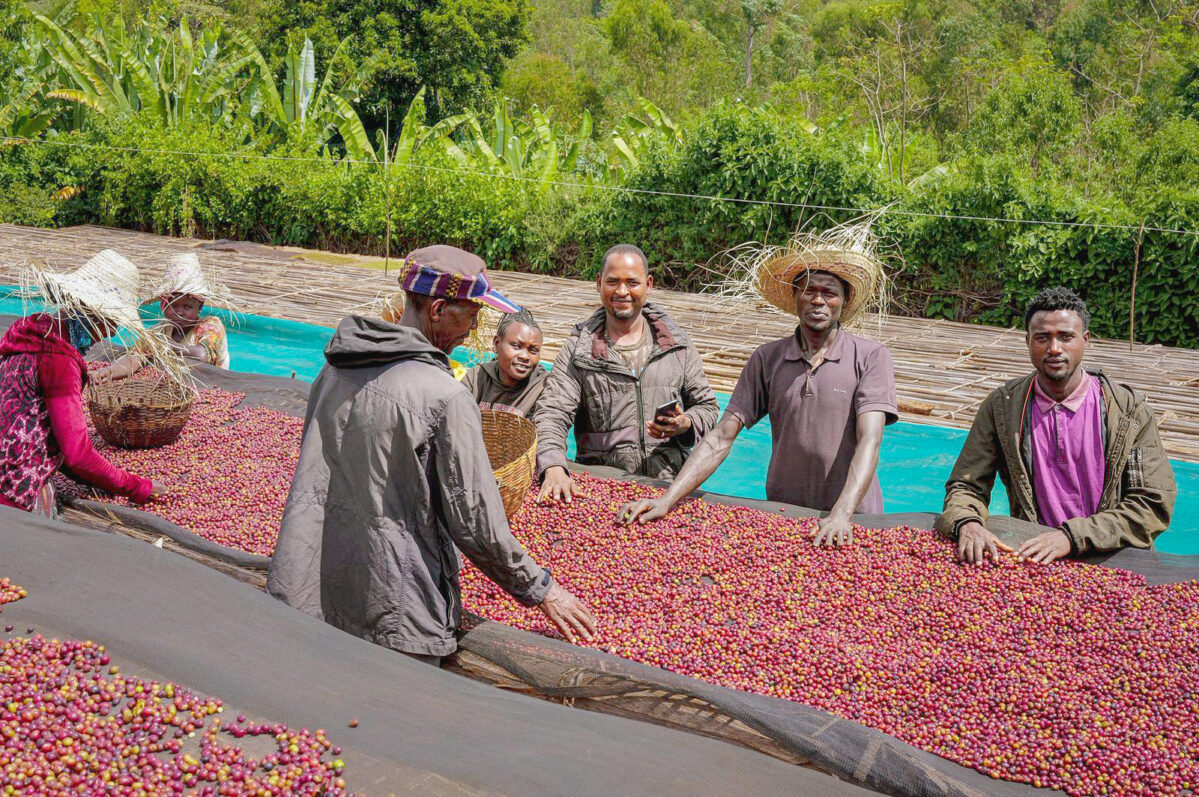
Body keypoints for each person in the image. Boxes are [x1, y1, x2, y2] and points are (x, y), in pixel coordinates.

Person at [267, 245, 596, 664]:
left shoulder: (337, 366)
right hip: (395, 611)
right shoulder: (445, 395)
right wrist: (542, 589)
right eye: (471, 312)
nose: (475, 324)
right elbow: (476, 519)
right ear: (438, 309)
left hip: (310, 584)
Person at [619, 223, 896, 548]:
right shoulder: (767, 359)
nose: (818, 301)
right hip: (784, 515)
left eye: (830, 293)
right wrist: (668, 499)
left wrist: (841, 514)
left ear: (843, 301)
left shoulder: (871, 357)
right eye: (809, 290)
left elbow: (870, 441)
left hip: (853, 520)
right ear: (795, 298)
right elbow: (721, 437)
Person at [936, 287, 1176, 565]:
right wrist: (967, 522)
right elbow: (966, 486)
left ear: (1085, 340)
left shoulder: (1128, 412)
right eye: (1042, 338)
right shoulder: (1003, 407)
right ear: (1027, 341)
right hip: (1034, 557)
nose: (1054, 348)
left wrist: (1071, 536)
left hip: (1113, 557)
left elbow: (1152, 505)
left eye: (1066, 337)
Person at [536, 244, 720, 502]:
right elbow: (552, 413)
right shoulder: (579, 351)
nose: (622, 291)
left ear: (648, 284)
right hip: (602, 488)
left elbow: (707, 407)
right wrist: (553, 465)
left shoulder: (676, 345)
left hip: (667, 487)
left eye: (632, 283)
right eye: (613, 282)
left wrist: (685, 424)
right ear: (599, 283)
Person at [0, 250, 166, 515]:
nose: (114, 331)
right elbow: (77, 454)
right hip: (11, 489)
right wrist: (137, 486)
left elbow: (43, 429)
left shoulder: (30, 332)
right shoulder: (58, 359)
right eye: (113, 321)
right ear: (95, 314)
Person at [94, 252, 231, 383]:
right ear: (163, 306)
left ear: (199, 307)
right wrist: (109, 372)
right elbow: (134, 358)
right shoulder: (159, 330)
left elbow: (203, 356)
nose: (179, 313)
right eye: (173, 306)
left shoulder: (211, 325)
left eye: (187, 307)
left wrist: (166, 344)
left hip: (212, 383)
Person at [461, 308, 548, 417]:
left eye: (533, 350)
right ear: (497, 343)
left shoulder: (543, 386)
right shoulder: (476, 377)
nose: (525, 356)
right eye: (516, 346)